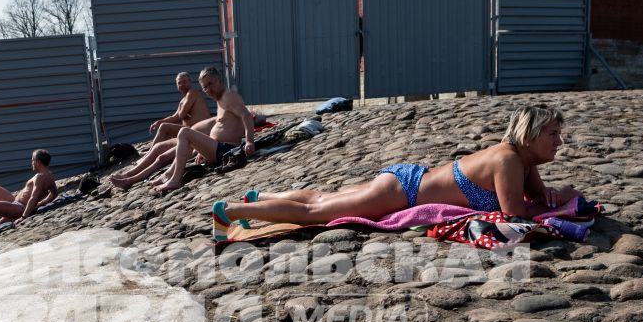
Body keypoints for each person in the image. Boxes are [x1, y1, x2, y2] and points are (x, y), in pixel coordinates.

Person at [217, 103, 570, 227]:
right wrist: (562, 203)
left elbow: (541, 198)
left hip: (407, 180)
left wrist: (556, 196)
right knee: (317, 209)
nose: (559, 141)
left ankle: (259, 195)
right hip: (405, 191)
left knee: (323, 196)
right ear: (530, 134)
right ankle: (231, 211)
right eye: (552, 133)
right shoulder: (508, 160)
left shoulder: (523, 160)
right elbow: (516, 217)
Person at [110, 67, 255, 193]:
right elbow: (223, 126)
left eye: (210, 84)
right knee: (165, 148)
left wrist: (249, 141)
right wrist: (201, 150)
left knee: (183, 133)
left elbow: (246, 116)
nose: (208, 90)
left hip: (227, 150)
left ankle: (174, 179)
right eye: (204, 87)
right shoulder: (220, 99)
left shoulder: (229, 96)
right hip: (217, 148)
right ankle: (132, 178)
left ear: (219, 80)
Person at [145, 72, 207, 143]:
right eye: (179, 83)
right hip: (189, 131)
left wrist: (163, 123)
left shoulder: (192, 93)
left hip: (200, 131)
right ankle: (152, 150)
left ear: (190, 82)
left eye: (184, 82)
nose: (182, 85)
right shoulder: (183, 100)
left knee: (164, 127)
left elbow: (181, 115)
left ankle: (151, 151)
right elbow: (175, 117)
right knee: (165, 132)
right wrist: (158, 122)